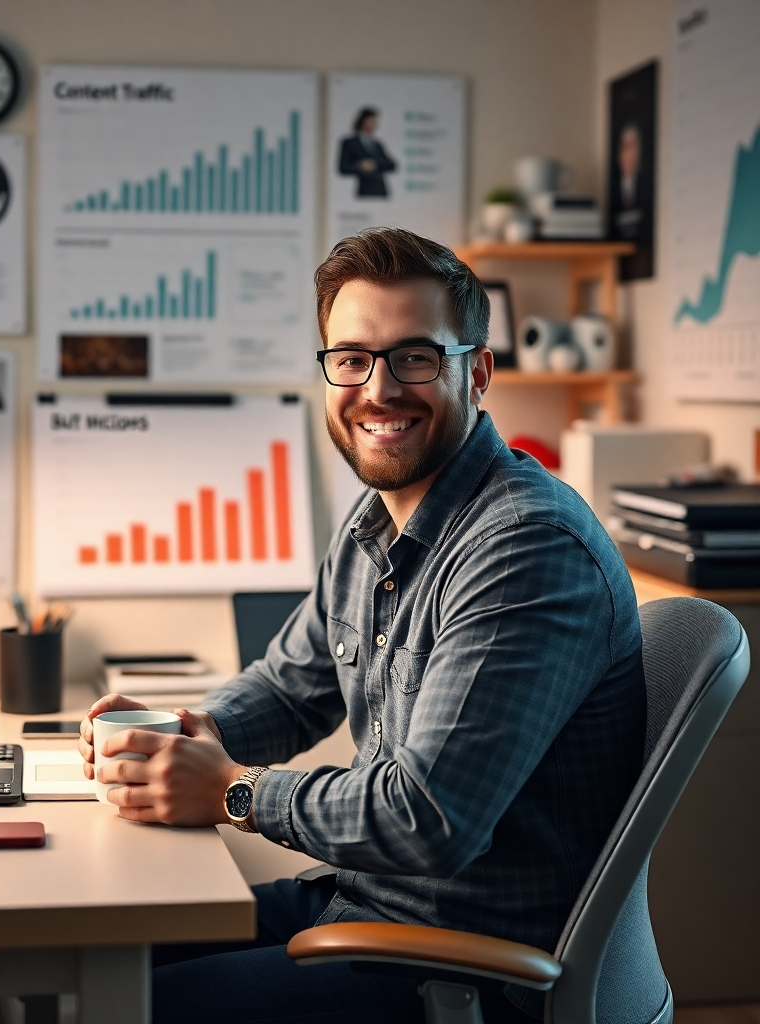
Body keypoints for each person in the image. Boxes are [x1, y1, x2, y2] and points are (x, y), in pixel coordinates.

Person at [79, 228, 646, 1024]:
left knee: (130, 1009)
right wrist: (180, 731)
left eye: (415, 357)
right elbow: (289, 689)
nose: (378, 391)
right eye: (351, 359)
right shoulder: (376, 521)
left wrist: (234, 794)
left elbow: (427, 821)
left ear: (477, 373)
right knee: (96, 955)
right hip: (368, 906)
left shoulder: (524, 547)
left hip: (469, 965)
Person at [338, 107, 397, 197]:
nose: (374, 125)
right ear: (362, 121)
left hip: (380, 189)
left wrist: (374, 164)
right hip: (364, 189)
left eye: (375, 122)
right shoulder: (350, 143)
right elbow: (343, 167)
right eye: (371, 121)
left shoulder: (377, 144)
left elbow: (391, 164)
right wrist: (360, 166)